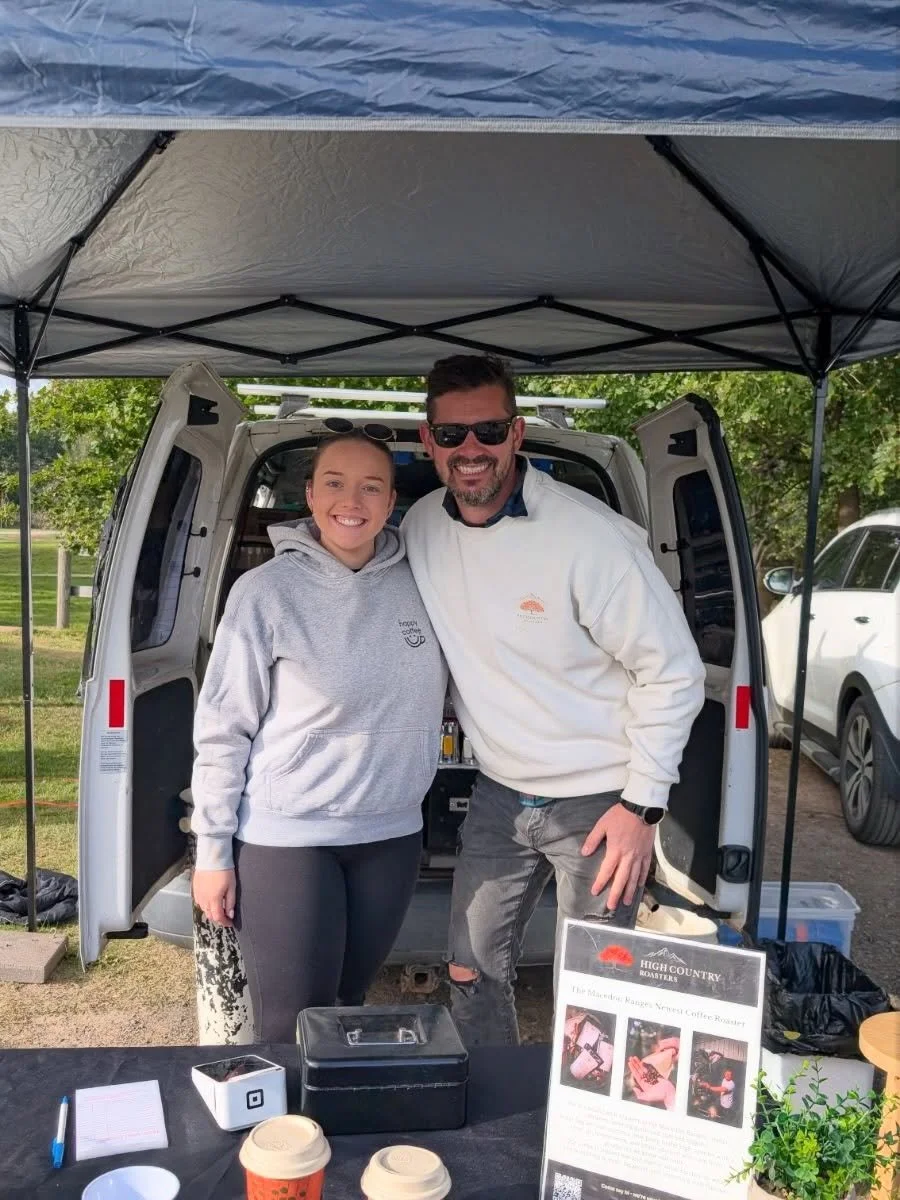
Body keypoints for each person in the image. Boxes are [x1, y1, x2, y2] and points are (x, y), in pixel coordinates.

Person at [402, 354, 706, 1046]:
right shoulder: (420, 527)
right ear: (429, 441)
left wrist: (642, 807)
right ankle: (494, 1118)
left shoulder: (590, 539)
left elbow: (675, 672)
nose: (470, 450)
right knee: (468, 970)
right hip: (499, 793)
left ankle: (581, 1138)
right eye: (452, 436)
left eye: (488, 431)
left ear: (517, 434)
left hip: (602, 803)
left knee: (596, 990)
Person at [191, 431, 446, 1042]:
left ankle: (333, 1132)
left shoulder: (427, 585)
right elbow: (223, 729)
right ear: (309, 495)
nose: (350, 500)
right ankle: (287, 1140)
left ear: (391, 504)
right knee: (293, 1024)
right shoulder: (265, 593)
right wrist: (212, 851)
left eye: (371, 486)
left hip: (392, 835)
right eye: (334, 482)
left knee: (347, 1008)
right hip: (289, 839)